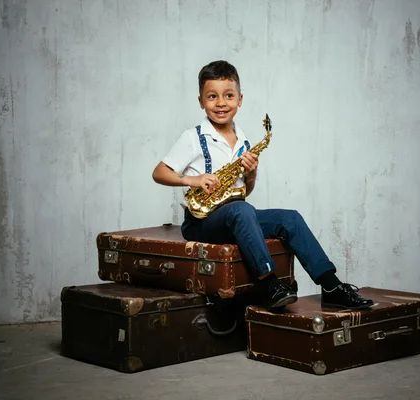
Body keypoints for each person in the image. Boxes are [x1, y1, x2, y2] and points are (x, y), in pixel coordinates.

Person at [152, 60, 373, 310]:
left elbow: (245, 192)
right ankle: (270, 285)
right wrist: (193, 179)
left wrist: (251, 174)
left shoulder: (243, 139)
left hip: (235, 215)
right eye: (212, 96)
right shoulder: (192, 138)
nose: (221, 103)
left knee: (290, 219)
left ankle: (331, 286)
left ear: (240, 99)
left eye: (228, 96)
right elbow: (159, 173)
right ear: (201, 101)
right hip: (201, 222)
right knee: (241, 210)